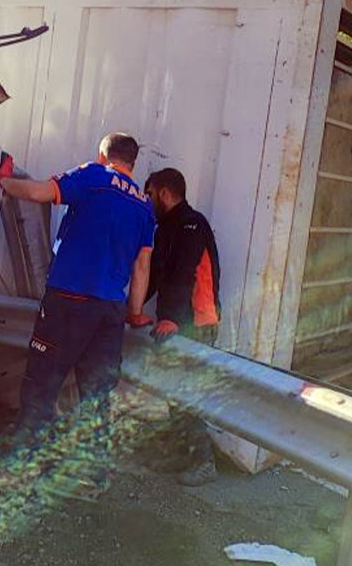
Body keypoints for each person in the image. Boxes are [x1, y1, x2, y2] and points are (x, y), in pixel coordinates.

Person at [0, 133, 155, 431]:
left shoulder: (94, 175)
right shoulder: (144, 205)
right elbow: (142, 266)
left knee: (41, 385)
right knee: (97, 397)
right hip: (110, 310)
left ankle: (27, 465)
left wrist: (3, 180)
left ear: (103, 156)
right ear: (132, 162)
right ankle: (94, 475)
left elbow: (38, 193)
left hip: (70, 300)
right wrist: (134, 313)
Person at [143, 167, 222, 485]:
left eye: (150, 194)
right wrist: (130, 309)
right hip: (177, 323)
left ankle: (204, 462)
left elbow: (183, 273)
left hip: (195, 324)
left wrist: (172, 318)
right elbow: (157, 273)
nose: (148, 201)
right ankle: (183, 456)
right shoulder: (166, 227)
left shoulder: (192, 224)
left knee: (189, 394)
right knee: (175, 393)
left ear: (163, 192)